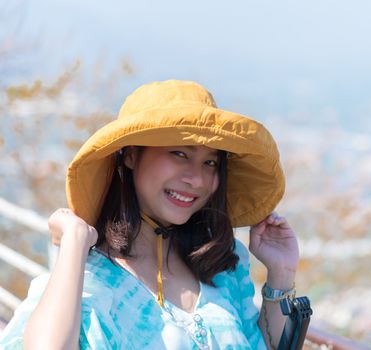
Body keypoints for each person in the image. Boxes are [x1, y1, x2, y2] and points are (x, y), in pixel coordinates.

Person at [0, 80, 299, 349]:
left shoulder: (221, 263)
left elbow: (264, 345)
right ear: (131, 155)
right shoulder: (90, 277)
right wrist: (75, 239)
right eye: (180, 154)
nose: (196, 179)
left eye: (210, 163)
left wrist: (282, 273)